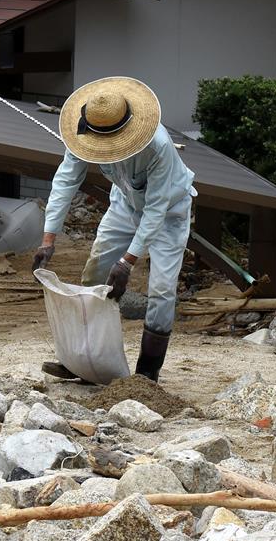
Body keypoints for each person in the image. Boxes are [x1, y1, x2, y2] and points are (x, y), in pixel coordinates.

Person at [32, 76, 195, 382]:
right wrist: (47, 239)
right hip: (124, 204)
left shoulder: (157, 147)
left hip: (169, 212)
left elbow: (156, 211)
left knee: (161, 290)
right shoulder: (85, 131)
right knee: (94, 275)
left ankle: (147, 375)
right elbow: (66, 181)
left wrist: (127, 262)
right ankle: (85, 361)